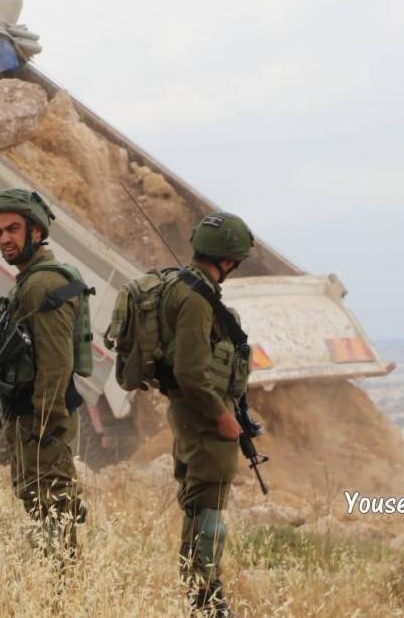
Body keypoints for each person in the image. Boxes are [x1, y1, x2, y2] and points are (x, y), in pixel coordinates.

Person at [0, 188, 88, 559]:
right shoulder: (29, 281)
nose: (4, 239)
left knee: (52, 506)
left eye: (12, 229)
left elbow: (56, 365)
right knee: (39, 503)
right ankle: (53, 585)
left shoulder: (44, 284)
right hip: (32, 419)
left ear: (36, 232)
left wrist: (44, 428)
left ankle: (60, 589)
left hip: (42, 421)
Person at [162, 212, 255, 617]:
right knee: (210, 511)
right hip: (202, 418)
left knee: (199, 504)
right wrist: (222, 415)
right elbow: (190, 371)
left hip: (191, 414)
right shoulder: (196, 299)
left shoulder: (181, 288)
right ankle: (207, 598)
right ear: (228, 259)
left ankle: (197, 588)